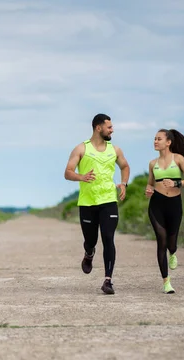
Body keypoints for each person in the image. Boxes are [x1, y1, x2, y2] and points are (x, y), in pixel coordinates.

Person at [64, 113, 130, 295]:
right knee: (91, 240)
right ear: (98, 128)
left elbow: (125, 166)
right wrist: (81, 177)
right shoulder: (81, 149)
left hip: (108, 200)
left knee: (108, 238)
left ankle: (108, 280)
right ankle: (89, 253)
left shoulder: (115, 150)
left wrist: (124, 183)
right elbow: (68, 172)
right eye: (109, 127)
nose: (112, 130)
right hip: (87, 202)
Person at [145, 129, 184, 294]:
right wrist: (148, 190)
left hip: (174, 204)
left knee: (171, 243)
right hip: (157, 205)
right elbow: (150, 184)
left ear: (168, 142)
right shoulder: (152, 164)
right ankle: (166, 282)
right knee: (161, 240)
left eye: (159, 139)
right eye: (154, 139)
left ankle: (173, 253)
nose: (155, 141)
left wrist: (177, 184)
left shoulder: (178, 159)